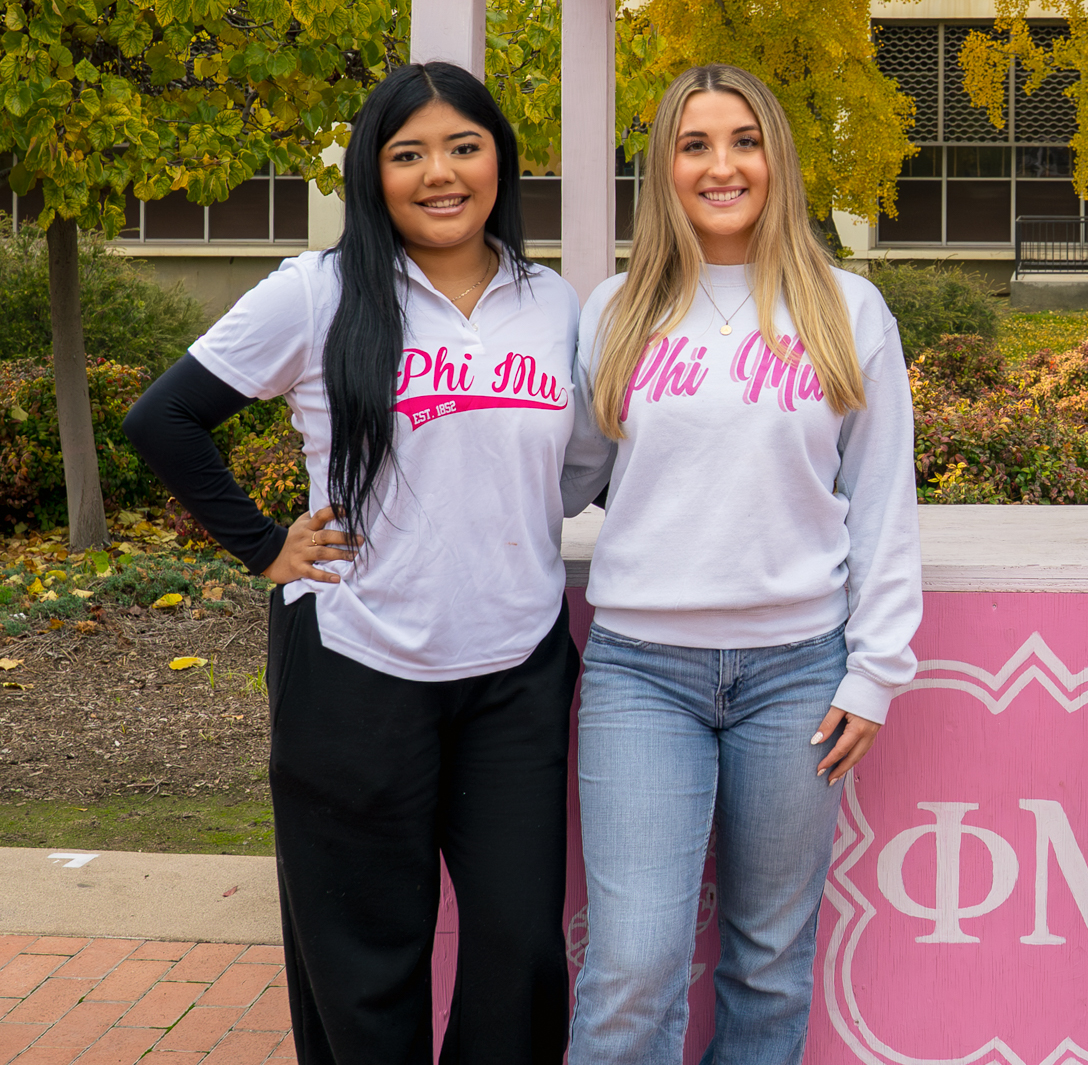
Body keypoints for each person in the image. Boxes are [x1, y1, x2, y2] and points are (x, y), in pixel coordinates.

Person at [124, 61, 609, 1064]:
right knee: (365, 959)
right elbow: (164, 417)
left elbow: (578, 473)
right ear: (371, 174)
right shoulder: (318, 292)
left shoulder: (551, 301)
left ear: (500, 162)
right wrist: (265, 546)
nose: (441, 172)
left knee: (518, 950)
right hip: (353, 666)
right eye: (408, 153)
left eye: (464, 146)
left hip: (513, 673)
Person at [564, 64, 921, 1065]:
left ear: (777, 160)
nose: (721, 166)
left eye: (742, 142)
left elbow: (883, 500)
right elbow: (558, 476)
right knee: (633, 961)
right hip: (641, 671)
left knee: (768, 960)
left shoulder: (849, 310)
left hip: (799, 676)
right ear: (664, 171)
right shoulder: (614, 311)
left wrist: (875, 669)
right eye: (694, 145)